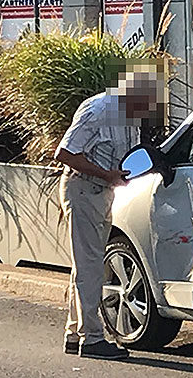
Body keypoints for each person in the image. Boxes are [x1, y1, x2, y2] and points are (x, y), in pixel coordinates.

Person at [54, 68, 170, 360]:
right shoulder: (98, 110)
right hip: (84, 189)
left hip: (102, 191)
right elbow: (64, 153)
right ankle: (92, 339)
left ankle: (75, 333)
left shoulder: (130, 115)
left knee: (87, 263)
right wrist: (106, 174)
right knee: (90, 265)